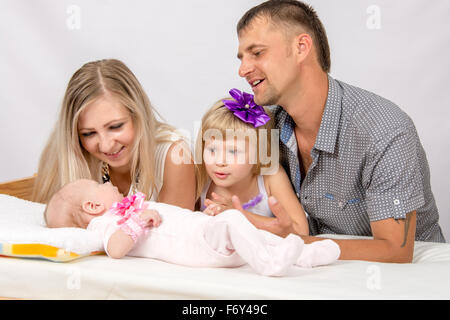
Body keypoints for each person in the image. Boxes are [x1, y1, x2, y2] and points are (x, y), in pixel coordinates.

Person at [232, 0, 445, 263]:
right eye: (242, 58)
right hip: (319, 273)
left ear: (301, 48)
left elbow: (395, 250)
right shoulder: (267, 124)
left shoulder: (385, 129)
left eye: (257, 53)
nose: (243, 70)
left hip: (408, 279)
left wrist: (296, 243)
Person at [44, 179, 341, 276]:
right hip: (197, 246)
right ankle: (270, 263)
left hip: (200, 231)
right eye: (100, 185)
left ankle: (304, 255)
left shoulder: (120, 212)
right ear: (92, 208)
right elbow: (117, 249)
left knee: (247, 231)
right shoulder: (105, 225)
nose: (108, 183)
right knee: (235, 220)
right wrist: (138, 220)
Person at [32, 59, 196, 211]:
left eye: (115, 126)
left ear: (138, 114)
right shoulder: (70, 157)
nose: (105, 145)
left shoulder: (174, 156)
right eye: (88, 133)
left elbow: (173, 237)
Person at [195, 90, 309, 236]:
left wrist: (238, 215)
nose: (220, 161)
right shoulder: (200, 175)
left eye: (233, 152)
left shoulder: (270, 176)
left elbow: (301, 230)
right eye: (212, 149)